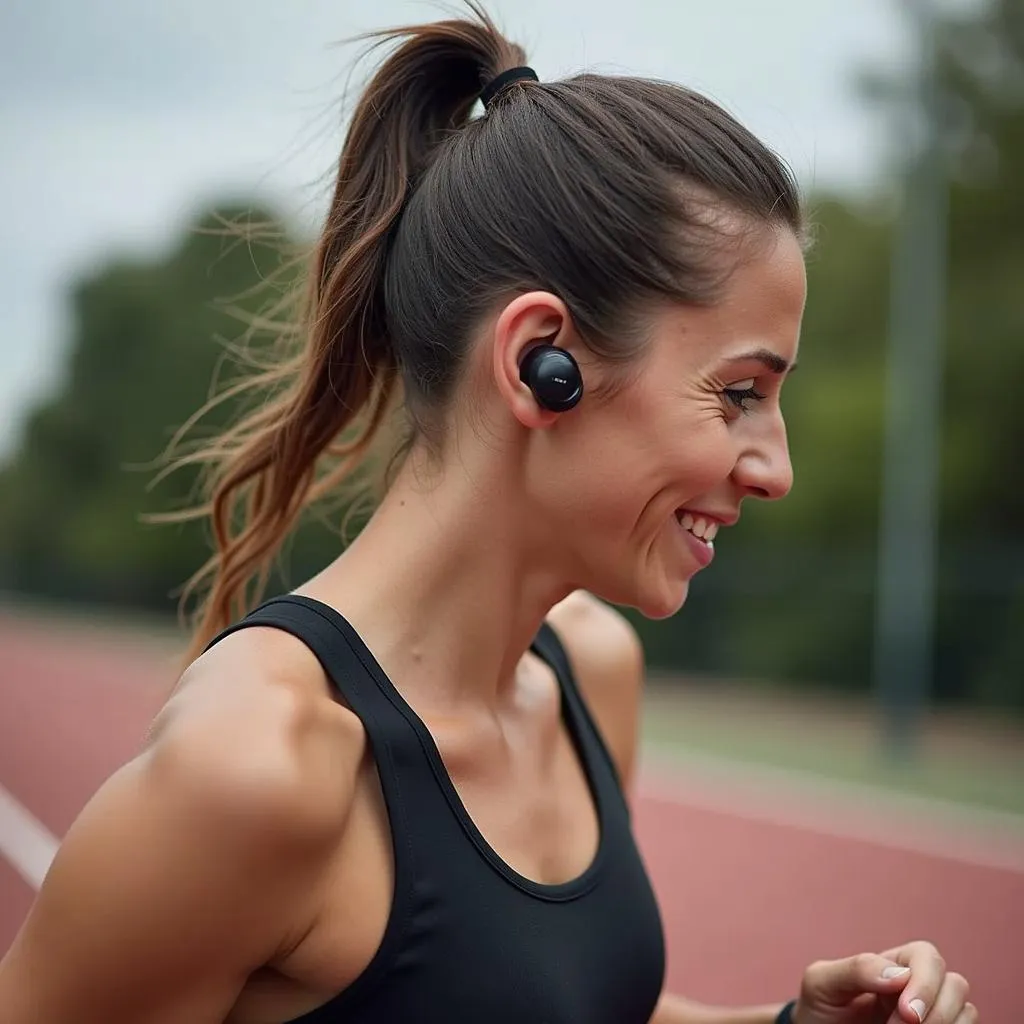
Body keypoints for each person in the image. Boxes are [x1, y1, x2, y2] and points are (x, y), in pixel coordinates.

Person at [0, 8, 976, 1024]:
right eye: (737, 393)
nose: (775, 468)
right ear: (536, 360)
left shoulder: (590, 675)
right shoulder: (259, 772)